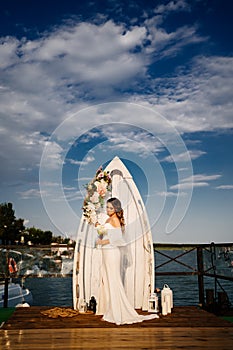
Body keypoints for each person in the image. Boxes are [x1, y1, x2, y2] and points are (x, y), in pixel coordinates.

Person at [95, 197, 159, 325]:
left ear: (116, 209)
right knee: (108, 281)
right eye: (107, 207)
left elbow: (118, 239)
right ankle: (112, 310)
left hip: (112, 253)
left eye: (110, 208)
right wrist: (95, 224)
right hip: (106, 252)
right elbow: (105, 232)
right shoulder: (109, 219)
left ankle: (118, 313)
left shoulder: (114, 219)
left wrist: (102, 241)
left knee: (114, 281)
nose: (108, 210)